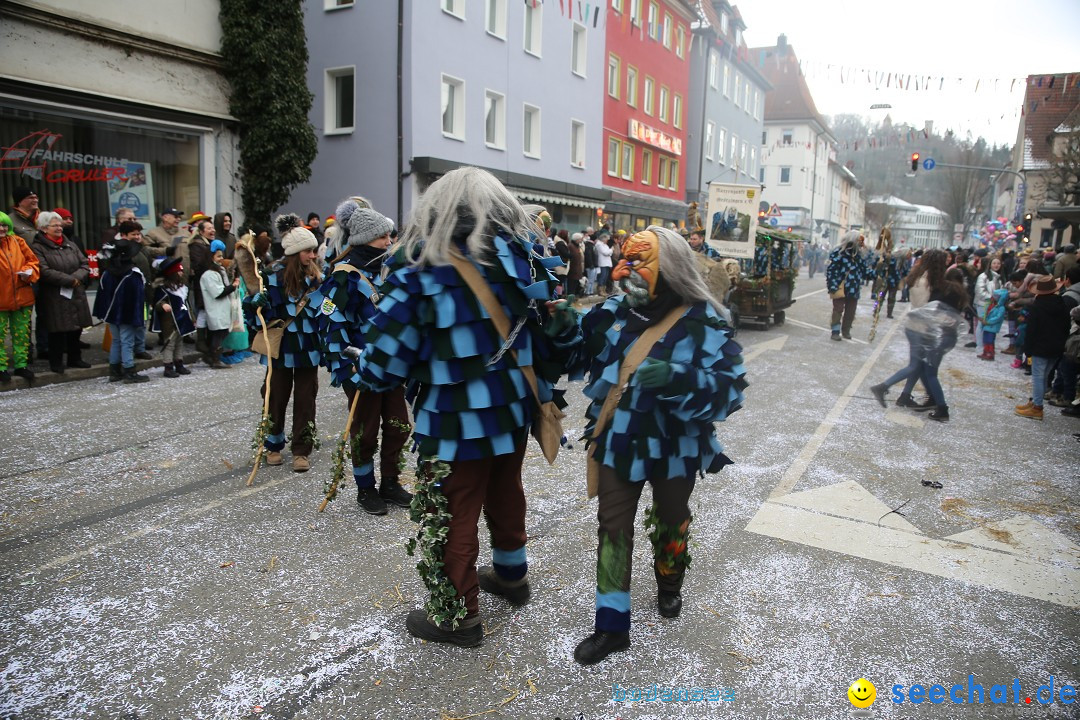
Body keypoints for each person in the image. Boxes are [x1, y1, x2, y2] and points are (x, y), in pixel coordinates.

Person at [350, 166, 563, 647]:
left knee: (453, 508)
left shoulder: (419, 273)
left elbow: (384, 364)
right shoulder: (519, 262)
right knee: (505, 488)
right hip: (511, 408)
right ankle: (511, 575)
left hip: (452, 419)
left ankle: (456, 615)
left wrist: (361, 368)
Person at [544, 226, 746, 664]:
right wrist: (562, 329)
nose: (620, 271)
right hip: (619, 440)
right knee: (612, 528)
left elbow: (729, 393)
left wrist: (679, 379)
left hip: (677, 446)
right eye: (622, 259)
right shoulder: (613, 312)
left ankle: (669, 584)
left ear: (668, 268)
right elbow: (576, 357)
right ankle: (611, 625)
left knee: (673, 520)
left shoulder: (704, 320)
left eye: (635, 262)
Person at [311, 202, 412, 515]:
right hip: (360, 367)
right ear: (365, 239)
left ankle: (391, 483)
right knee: (366, 432)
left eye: (388, 235)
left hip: (390, 366)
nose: (388, 241)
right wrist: (349, 365)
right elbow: (330, 324)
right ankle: (366, 488)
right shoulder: (344, 275)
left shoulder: (385, 269)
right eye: (382, 236)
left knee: (398, 425)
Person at [248, 214, 324, 473]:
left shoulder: (316, 279)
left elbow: (323, 311)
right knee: (276, 397)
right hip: (280, 346)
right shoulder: (270, 277)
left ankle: (302, 451)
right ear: (294, 253)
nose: (313, 255)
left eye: (314, 250)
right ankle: (273, 445)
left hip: (309, 346)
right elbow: (258, 316)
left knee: (306, 399)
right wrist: (255, 306)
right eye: (308, 251)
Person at [870, 249, 966, 420]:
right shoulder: (930, 280)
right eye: (945, 260)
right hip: (923, 327)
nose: (947, 263)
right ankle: (884, 387)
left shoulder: (918, 275)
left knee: (920, 366)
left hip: (914, 324)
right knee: (917, 366)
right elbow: (930, 307)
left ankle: (905, 396)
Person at [31, 211, 92, 374]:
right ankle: (56, 362)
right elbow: (43, 270)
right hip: (53, 293)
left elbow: (84, 263)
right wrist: (68, 280)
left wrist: (76, 278)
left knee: (76, 326)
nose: (59, 228)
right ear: (44, 228)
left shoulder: (70, 244)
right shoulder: (38, 247)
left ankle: (75, 358)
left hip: (75, 290)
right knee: (56, 328)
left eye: (60, 224)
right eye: (55, 225)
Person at [93, 221, 150, 383]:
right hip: (127, 313)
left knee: (117, 340)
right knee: (127, 341)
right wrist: (138, 318)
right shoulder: (133, 274)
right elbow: (137, 298)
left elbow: (102, 294)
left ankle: (114, 370)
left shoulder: (108, 273)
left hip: (112, 313)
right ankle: (129, 370)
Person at [1015, 276, 1069, 420]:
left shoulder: (1037, 307)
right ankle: (1034, 402)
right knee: (1044, 377)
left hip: (1040, 346)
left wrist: (1028, 349)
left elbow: (1031, 330)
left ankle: (1037, 407)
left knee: (1038, 377)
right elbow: (1066, 327)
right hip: (1056, 347)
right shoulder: (1062, 305)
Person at [0, 211, 39, 384]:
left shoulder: (18, 241)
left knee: (21, 334)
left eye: (4, 225)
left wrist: (28, 273)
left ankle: (21, 365)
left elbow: (33, 261)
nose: (2, 228)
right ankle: (1, 368)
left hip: (21, 297)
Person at [149, 256, 194, 378]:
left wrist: (191, 318)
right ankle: (168, 367)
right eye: (179, 271)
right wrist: (163, 305)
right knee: (169, 344)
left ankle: (179, 364)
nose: (181, 273)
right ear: (173, 273)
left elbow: (186, 304)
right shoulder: (162, 289)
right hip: (169, 321)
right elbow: (156, 303)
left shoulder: (181, 288)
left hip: (182, 319)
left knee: (180, 342)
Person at [199, 239, 241, 369]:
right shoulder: (208, 274)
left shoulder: (218, 271)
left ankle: (212, 357)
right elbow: (218, 292)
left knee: (221, 333)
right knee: (218, 334)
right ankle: (214, 358)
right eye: (218, 256)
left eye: (221, 256)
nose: (221, 259)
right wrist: (233, 286)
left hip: (222, 309)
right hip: (216, 309)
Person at [825, 231, 872, 340]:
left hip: (854, 288)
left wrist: (877, 274)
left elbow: (864, 271)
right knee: (838, 309)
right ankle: (835, 331)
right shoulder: (839, 253)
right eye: (859, 240)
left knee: (851, 311)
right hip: (840, 286)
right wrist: (832, 285)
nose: (861, 243)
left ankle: (846, 330)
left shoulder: (859, 255)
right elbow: (831, 270)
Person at [974, 257, 1004, 357]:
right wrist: (991, 298)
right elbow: (980, 291)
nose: (996, 265)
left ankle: (988, 347)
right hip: (983, 304)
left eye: (998, 263)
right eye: (994, 263)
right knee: (981, 325)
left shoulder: (1000, 278)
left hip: (994, 305)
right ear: (990, 264)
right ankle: (980, 346)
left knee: (990, 326)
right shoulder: (983, 276)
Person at [978, 286, 1008, 361]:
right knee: (985, 340)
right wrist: (981, 317)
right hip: (986, 325)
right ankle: (985, 352)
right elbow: (985, 312)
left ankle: (990, 353)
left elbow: (998, 318)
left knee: (990, 340)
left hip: (992, 327)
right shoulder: (990, 304)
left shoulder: (1001, 308)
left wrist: (988, 321)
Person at [566, 232, 585, 299]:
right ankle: (569, 299)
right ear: (577, 239)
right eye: (580, 239)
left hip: (577, 268)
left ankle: (573, 298)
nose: (581, 240)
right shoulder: (571, 246)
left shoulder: (577, 246)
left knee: (575, 285)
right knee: (571, 285)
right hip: (572, 269)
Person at [595, 230, 613, 295]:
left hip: (607, 263)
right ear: (603, 238)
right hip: (602, 263)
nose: (607, 240)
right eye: (606, 239)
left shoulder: (605, 245)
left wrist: (609, 251)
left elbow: (609, 253)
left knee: (605, 277)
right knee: (602, 277)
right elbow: (605, 252)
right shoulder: (599, 244)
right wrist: (611, 250)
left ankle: (603, 290)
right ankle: (600, 290)